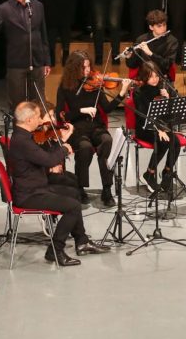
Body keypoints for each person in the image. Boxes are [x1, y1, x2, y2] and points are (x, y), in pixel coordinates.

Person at [6, 100, 109, 266]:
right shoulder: (23, 141)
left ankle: (82, 241)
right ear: (29, 120)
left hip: (35, 187)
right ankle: (55, 250)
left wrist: (61, 142)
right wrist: (65, 148)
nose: (41, 120)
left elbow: (43, 157)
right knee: (73, 206)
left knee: (74, 193)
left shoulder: (22, 136)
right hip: (30, 194)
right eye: (38, 117)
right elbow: (49, 160)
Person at [56, 51, 132, 205]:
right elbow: (60, 115)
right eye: (83, 68)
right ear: (74, 68)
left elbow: (107, 108)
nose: (87, 71)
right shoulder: (65, 87)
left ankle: (107, 189)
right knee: (85, 148)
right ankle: (80, 187)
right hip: (76, 129)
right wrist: (81, 110)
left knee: (106, 141)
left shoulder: (95, 84)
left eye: (88, 67)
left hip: (96, 126)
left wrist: (122, 92)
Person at [132, 62, 180, 195]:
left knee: (175, 143)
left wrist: (168, 98)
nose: (155, 79)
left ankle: (167, 173)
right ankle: (149, 174)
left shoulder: (162, 88)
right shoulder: (139, 92)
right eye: (151, 77)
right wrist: (158, 129)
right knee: (163, 142)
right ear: (144, 77)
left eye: (156, 76)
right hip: (145, 128)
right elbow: (143, 116)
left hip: (162, 127)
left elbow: (171, 114)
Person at [125, 9, 179, 78]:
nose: (163, 28)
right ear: (151, 27)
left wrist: (151, 54)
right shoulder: (141, 39)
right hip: (144, 77)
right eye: (159, 26)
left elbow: (167, 65)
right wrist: (129, 57)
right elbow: (132, 65)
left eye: (164, 25)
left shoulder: (172, 41)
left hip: (161, 76)